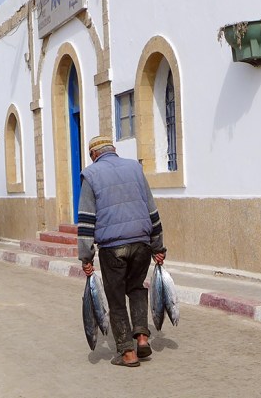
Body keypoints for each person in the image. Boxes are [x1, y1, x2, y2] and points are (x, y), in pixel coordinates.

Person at [77, 135, 166, 367]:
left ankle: (127, 352)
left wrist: (86, 256)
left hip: (112, 247)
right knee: (136, 288)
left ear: (93, 155)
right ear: (113, 149)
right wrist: (158, 246)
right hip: (141, 243)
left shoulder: (90, 175)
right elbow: (151, 208)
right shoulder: (135, 168)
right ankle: (142, 337)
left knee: (116, 298)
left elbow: (86, 219)